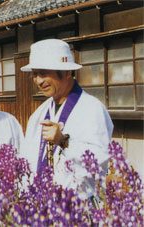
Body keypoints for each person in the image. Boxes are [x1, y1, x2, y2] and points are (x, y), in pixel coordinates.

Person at [21, 39, 113, 197]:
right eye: (35, 74)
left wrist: (64, 142)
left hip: (79, 209)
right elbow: (28, 159)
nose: (38, 81)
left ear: (66, 72)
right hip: (41, 208)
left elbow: (100, 161)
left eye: (43, 73)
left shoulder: (92, 109)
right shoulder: (38, 114)